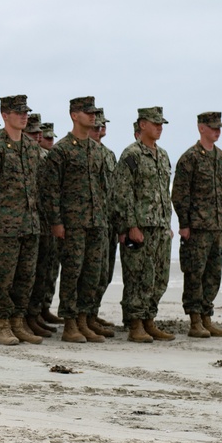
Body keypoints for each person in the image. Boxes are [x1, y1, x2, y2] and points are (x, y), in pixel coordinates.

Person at [0, 95, 44, 345]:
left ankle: (18, 321)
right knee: (3, 276)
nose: (24, 116)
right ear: (5, 115)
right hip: (5, 226)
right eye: (18, 112)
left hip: (30, 224)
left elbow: (38, 187)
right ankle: (2, 324)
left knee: (26, 276)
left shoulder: (32, 147)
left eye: (25, 112)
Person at [43, 97, 112, 343]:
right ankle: (70, 323)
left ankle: (84, 320)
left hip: (96, 222)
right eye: (87, 112)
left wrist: (104, 218)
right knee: (72, 273)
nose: (93, 116)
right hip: (72, 223)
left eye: (94, 112)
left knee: (91, 274)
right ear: (74, 115)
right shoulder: (62, 150)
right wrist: (56, 222)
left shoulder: (96, 150)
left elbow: (104, 188)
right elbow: (51, 190)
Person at [110, 107, 175, 343]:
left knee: (159, 277)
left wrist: (167, 223)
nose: (159, 127)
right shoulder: (132, 155)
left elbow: (164, 193)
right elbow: (122, 192)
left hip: (159, 226)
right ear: (142, 125)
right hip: (140, 227)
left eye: (161, 124)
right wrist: (130, 225)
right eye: (155, 123)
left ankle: (149, 319)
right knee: (138, 277)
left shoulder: (163, 155)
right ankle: (135, 323)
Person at [172, 111, 222, 338]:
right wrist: (184, 224)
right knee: (194, 274)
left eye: (219, 127)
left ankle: (207, 316)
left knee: (213, 274)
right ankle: (195, 320)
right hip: (196, 227)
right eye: (213, 127)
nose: (217, 131)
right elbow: (179, 194)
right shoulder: (190, 158)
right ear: (201, 128)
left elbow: (221, 191)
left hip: (216, 226)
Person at [86, 108, 117, 337]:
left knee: (104, 273)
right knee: (88, 272)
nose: (99, 130)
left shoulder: (108, 154)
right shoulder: (83, 151)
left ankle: (92, 313)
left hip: (107, 221)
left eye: (102, 126)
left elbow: (115, 190)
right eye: (96, 126)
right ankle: (83, 316)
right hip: (87, 220)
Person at [27, 121, 60, 333]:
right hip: (25, 221)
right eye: (37, 134)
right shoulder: (29, 155)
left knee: (45, 270)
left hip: (44, 221)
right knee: (29, 272)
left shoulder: (44, 157)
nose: (41, 138)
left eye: (46, 135)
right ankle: (27, 315)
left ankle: (38, 310)